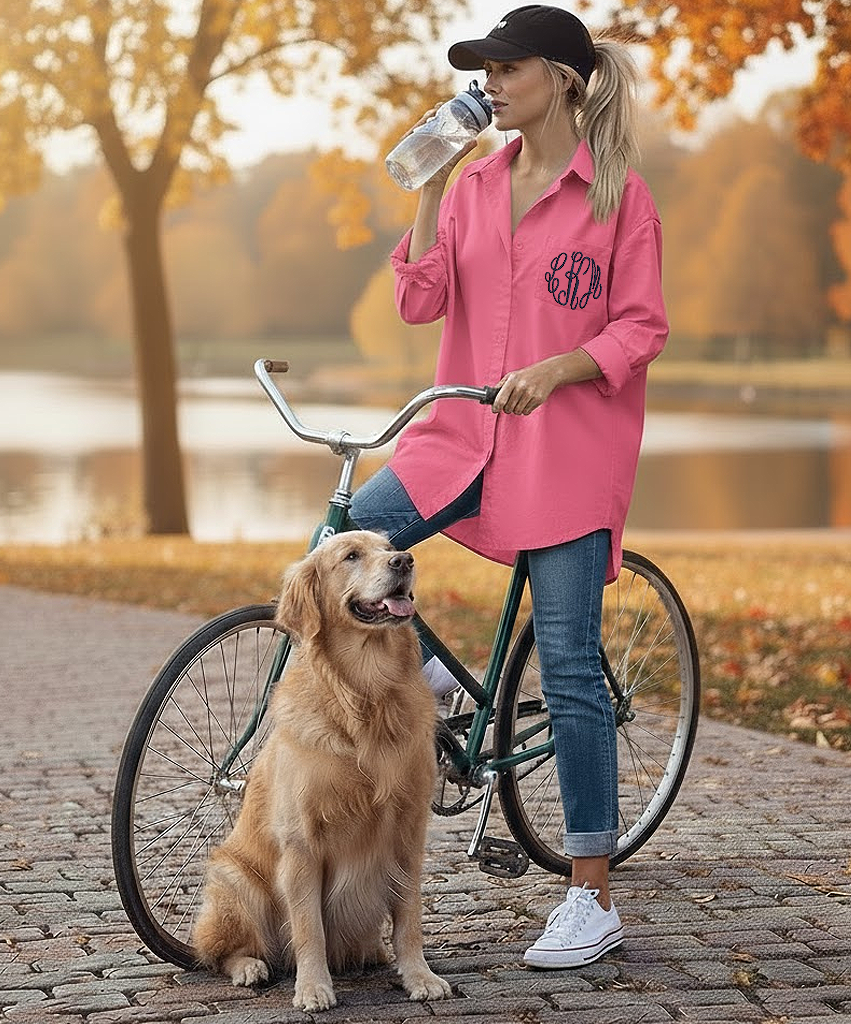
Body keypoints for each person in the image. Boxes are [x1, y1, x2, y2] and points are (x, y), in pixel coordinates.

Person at [349, 4, 669, 969]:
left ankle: (589, 894)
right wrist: (426, 189)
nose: (490, 80)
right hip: (459, 440)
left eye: (509, 65)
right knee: (348, 549)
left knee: (568, 663)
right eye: (483, 67)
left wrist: (561, 369)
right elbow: (418, 301)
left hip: (565, 454)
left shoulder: (620, 197)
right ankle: (437, 671)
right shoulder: (476, 182)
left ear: (564, 78)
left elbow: (641, 329)